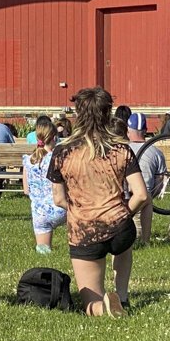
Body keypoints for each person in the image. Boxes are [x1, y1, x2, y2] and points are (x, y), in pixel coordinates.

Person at [47, 87, 149, 317]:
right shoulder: (122, 149)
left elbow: (59, 198)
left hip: (85, 230)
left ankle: (102, 306)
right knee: (122, 244)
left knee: (90, 304)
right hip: (121, 227)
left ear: (78, 114)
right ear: (108, 113)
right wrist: (123, 213)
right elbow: (141, 194)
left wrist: (79, 209)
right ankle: (121, 295)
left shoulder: (63, 152)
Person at [23, 121, 66, 254]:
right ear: (54, 137)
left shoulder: (28, 161)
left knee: (43, 251)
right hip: (60, 208)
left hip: (38, 212)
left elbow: (26, 190)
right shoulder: (57, 159)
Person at [126, 113, 167, 244]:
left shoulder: (123, 149)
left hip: (124, 198)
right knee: (147, 199)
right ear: (145, 131)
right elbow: (160, 182)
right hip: (143, 201)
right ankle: (145, 240)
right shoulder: (156, 152)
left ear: (128, 131)